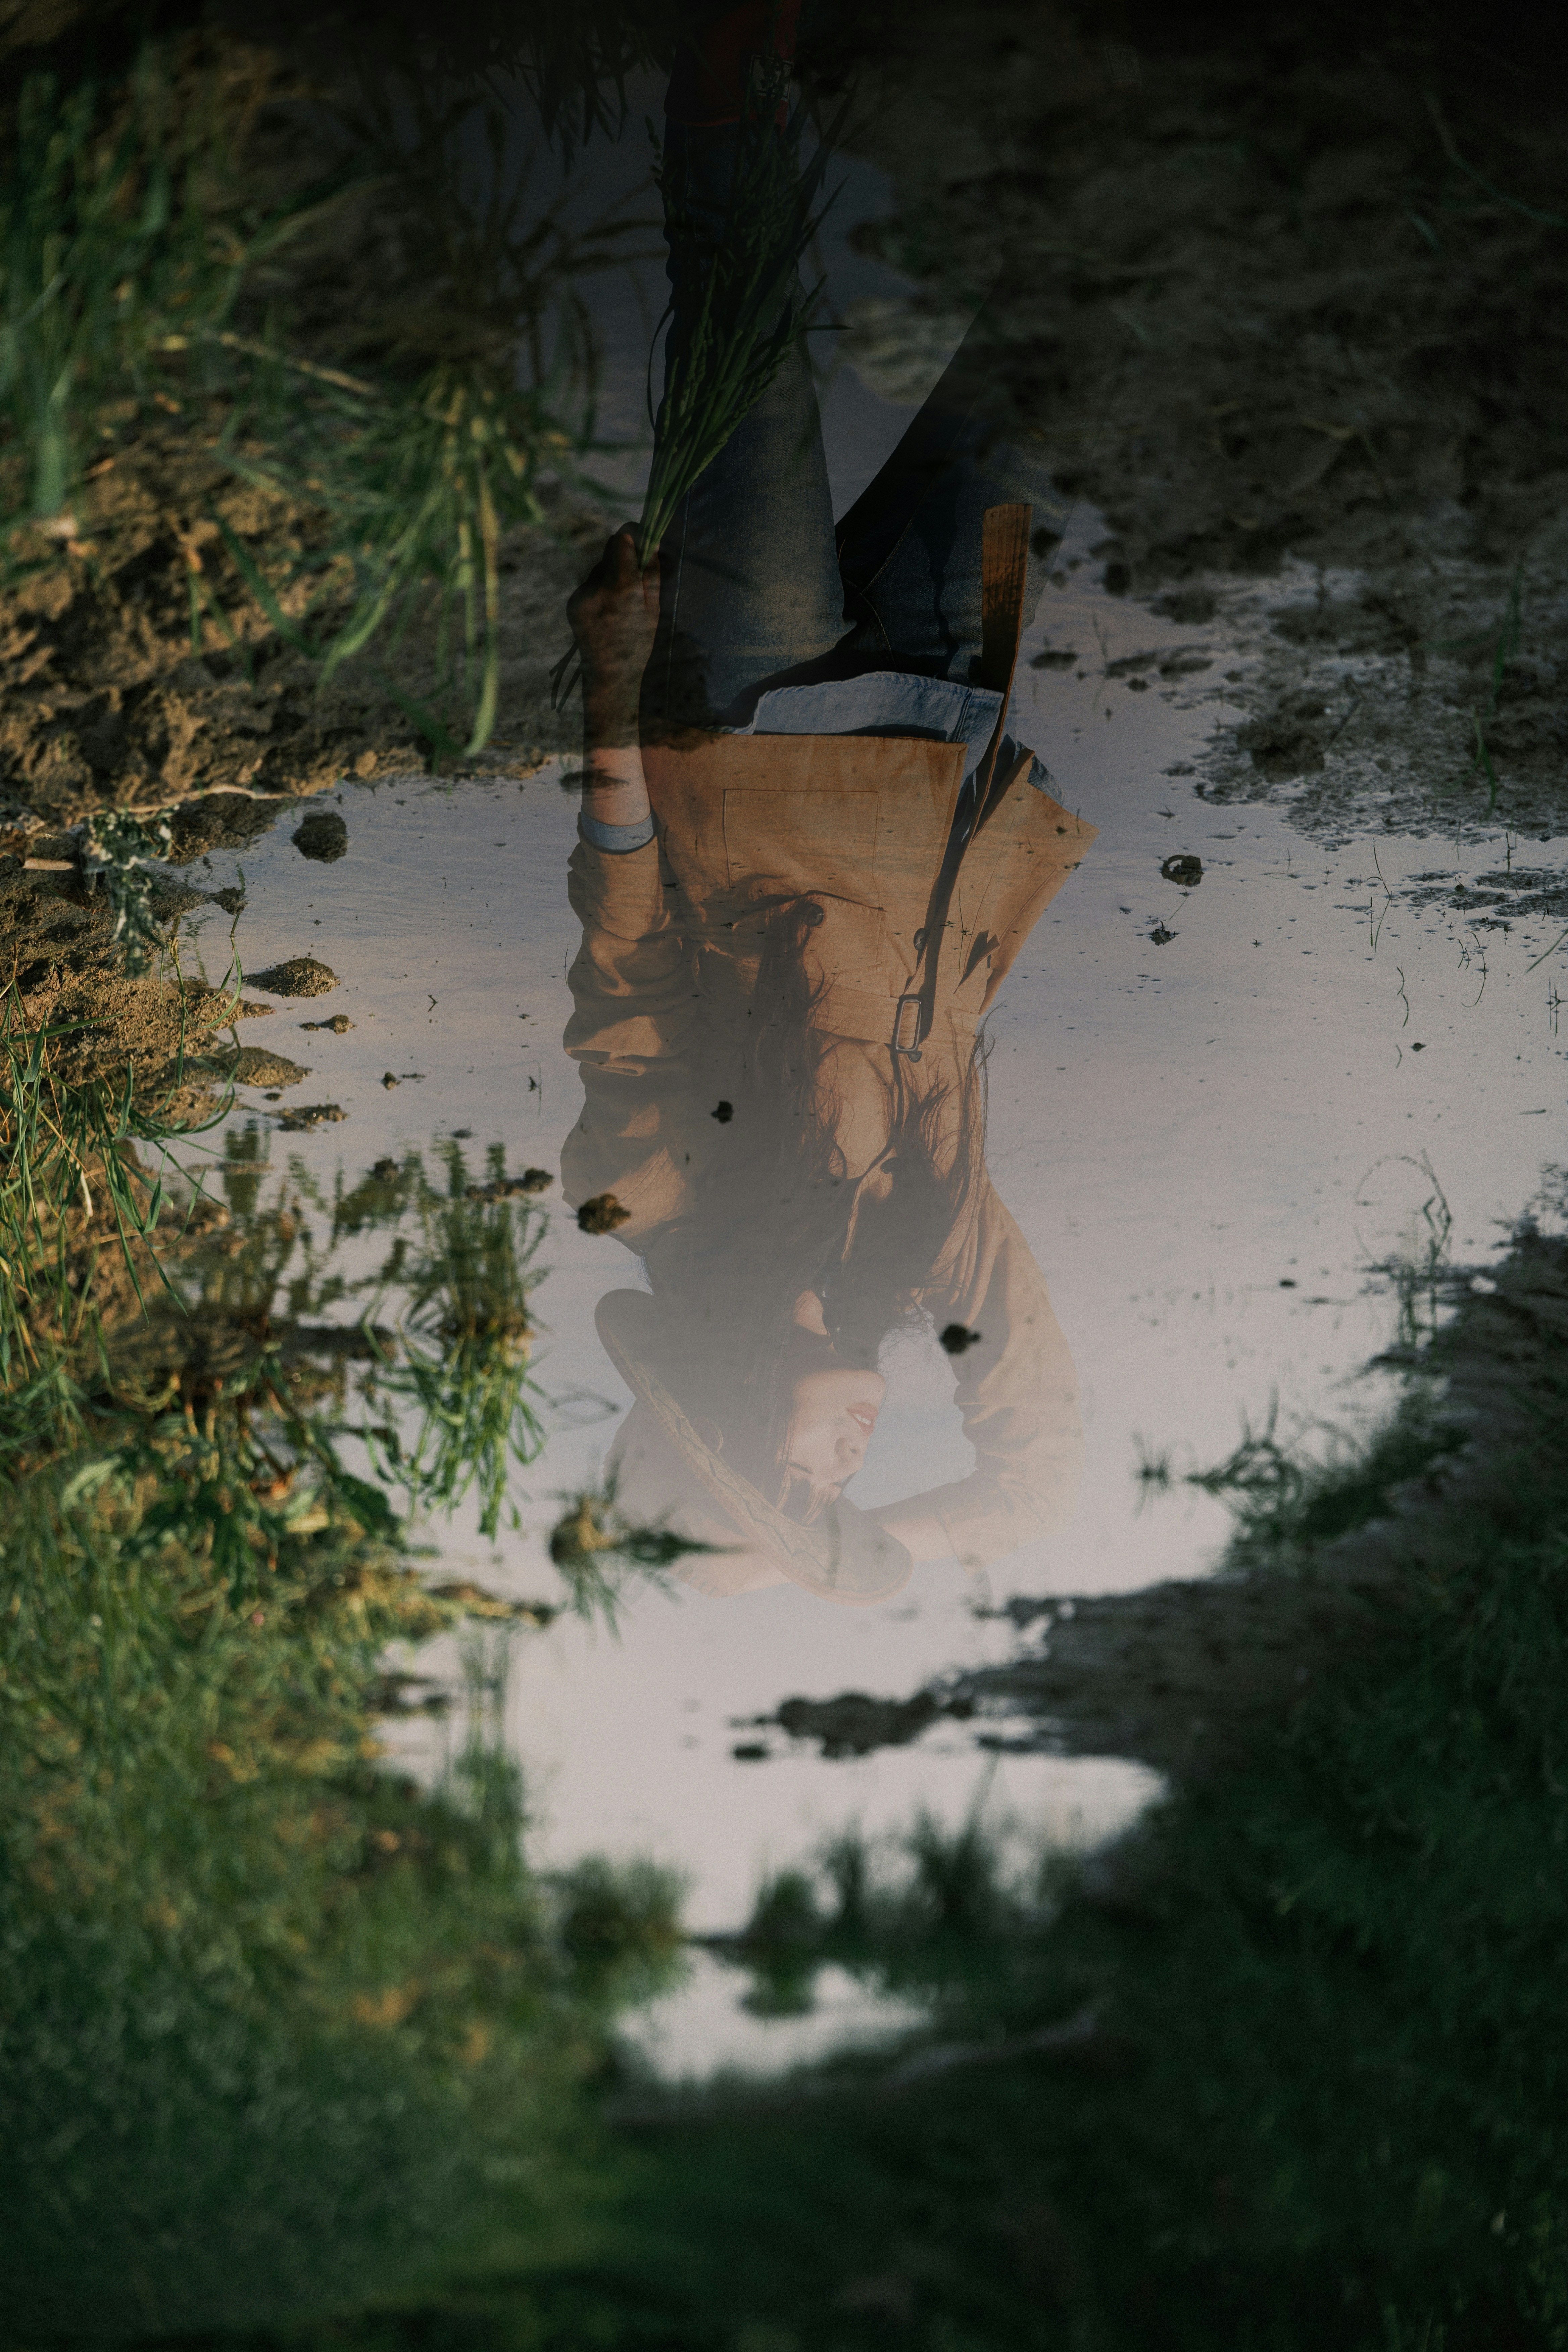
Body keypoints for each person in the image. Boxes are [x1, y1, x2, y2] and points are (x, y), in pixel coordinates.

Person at [558, 19, 1095, 1604]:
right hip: (938, 739)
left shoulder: (642, 1187)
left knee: (746, 320)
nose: (845, 1467)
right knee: (1062, 332)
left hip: (743, 711)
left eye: (789, 1476)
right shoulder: (921, 1247)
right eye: (831, 1494)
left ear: (717, 1409)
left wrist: (608, 697)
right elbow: (1042, 1465)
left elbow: (626, 953)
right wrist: (862, 1561)